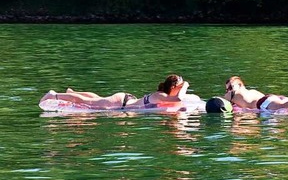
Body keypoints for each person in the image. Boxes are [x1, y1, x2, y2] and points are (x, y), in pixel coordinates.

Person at [40, 75, 191, 111]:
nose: (183, 86)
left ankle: (71, 92)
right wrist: (186, 85)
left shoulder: (165, 96)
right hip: (121, 103)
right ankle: (54, 95)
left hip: (127, 99)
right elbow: (178, 99)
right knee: (91, 103)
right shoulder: (161, 95)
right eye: (181, 84)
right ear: (175, 86)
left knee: (96, 98)